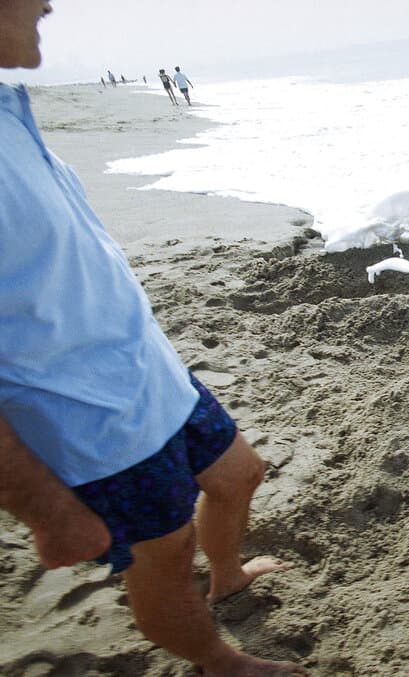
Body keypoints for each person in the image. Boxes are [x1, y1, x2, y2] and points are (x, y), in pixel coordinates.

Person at [0, 2, 307, 675]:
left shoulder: (7, 108)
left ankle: (227, 575)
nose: (50, 4)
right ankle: (216, 660)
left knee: (240, 473)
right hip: (93, 423)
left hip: (151, 371)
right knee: (164, 561)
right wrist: (47, 510)